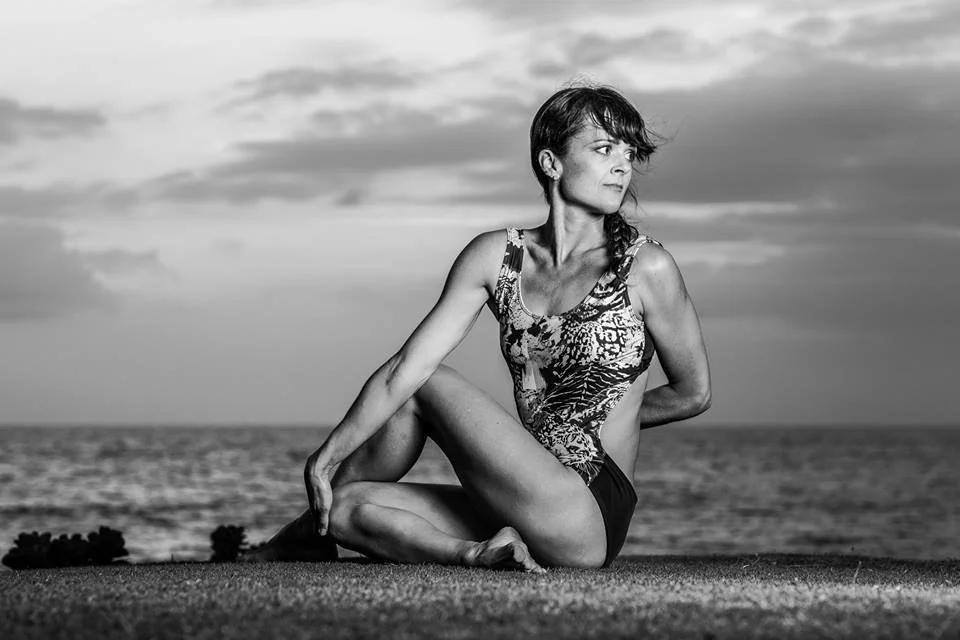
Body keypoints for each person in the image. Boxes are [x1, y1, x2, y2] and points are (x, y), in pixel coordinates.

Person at [244, 84, 711, 571]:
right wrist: (326, 456)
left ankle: (296, 535)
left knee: (427, 382)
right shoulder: (496, 257)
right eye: (603, 149)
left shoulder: (646, 267)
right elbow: (404, 366)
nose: (622, 166)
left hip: (587, 508)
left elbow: (693, 393)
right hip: (522, 495)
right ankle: (477, 552)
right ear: (551, 163)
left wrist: (605, 412)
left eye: (628, 154)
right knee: (344, 507)